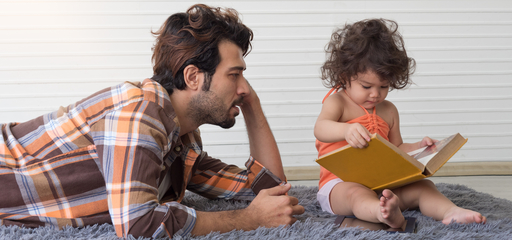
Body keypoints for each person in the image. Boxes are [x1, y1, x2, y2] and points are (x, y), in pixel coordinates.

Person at [0, 4, 304, 238]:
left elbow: (269, 192)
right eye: (235, 75)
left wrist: (253, 107)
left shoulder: (183, 140)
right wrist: (249, 220)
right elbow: (137, 224)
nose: (244, 88)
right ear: (193, 77)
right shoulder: (140, 115)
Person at [314, 18, 486, 228]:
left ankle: (451, 211)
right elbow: (320, 128)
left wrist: (420, 148)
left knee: (424, 186)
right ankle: (382, 213)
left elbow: (396, 148)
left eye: (384, 86)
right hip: (340, 186)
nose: (376, 94)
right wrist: (346, 129)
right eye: (366, 86)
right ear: (345, 75)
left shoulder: (389, 110)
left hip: (383, 185)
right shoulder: (337, 102)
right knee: (356, 195)